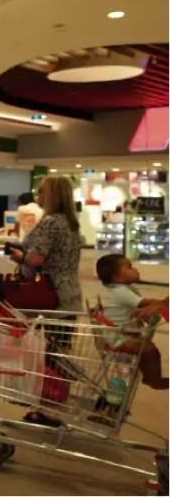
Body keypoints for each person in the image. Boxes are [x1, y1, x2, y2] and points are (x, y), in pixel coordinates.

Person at [9, 175, 83, 425]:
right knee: (59, 350)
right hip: (70, 293)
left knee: (48, 353)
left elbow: (36, 259)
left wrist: (19, 256)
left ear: (53, 194)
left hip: (49, 295)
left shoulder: (50, 222)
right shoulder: (72, 223)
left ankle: (48, 406)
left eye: (42, 191)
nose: (38, 196)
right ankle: (55, 404)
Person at [95, 254, 168, 390]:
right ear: (116, 277)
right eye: (128, 267)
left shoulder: (125, 289)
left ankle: (148, 376)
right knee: (149, 350)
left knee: (144, 349)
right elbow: (144, 303)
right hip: (117, 337)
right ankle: (154, 380)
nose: (134, 270)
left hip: (123, 333)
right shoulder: (120, 291)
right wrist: (162, 303)